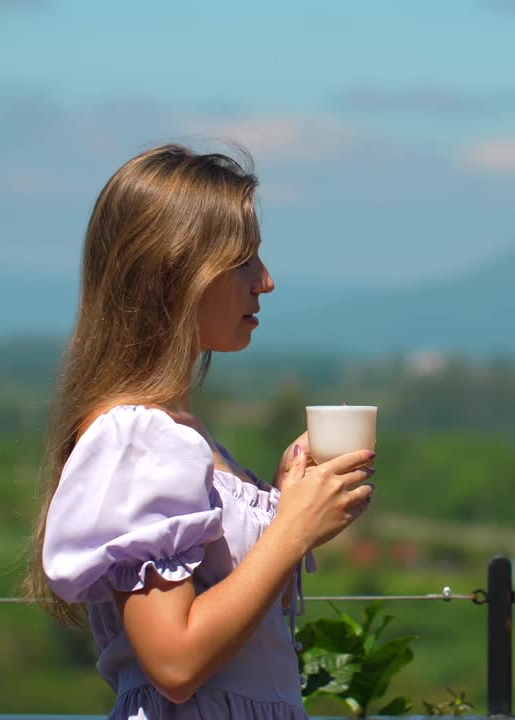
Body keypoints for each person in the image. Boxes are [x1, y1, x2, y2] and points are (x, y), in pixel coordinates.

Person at [23, 143, 376, 719]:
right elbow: (177, 663)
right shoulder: (137, 441)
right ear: (175, 272)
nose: (265, 281)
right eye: (244, 260)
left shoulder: (183, 436)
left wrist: (293, 509)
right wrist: (290, 531)